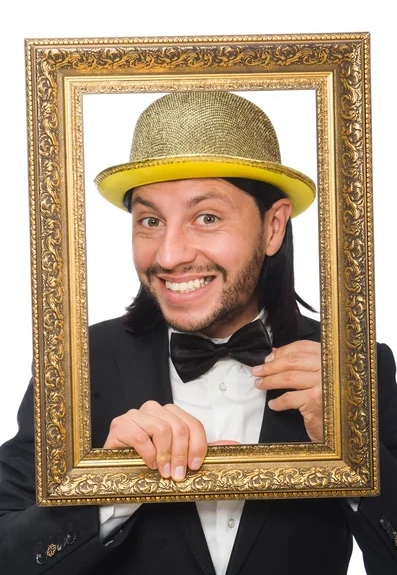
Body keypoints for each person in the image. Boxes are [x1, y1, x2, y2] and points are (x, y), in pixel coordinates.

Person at [0, 91, 396, 575]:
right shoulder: (79, 362)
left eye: (206, 218)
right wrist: (113, 486)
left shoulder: (357, 368)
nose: (168, 256)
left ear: (273, 228)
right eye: (150, 220)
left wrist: (357, 454)